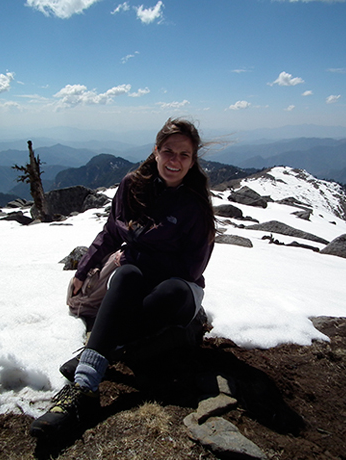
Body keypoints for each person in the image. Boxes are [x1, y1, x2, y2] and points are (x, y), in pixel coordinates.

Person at [30, 117, 216, 437]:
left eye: (184, 155)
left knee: (166, 290)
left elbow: (191, 269)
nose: (175, 161)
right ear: (156, 151)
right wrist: (84, 268)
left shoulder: (195, 205)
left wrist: (139, 254)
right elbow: (111, 233)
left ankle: (99, 351)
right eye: (169, 151)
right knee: (126, 274)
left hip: (180, 290)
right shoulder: (132, 185)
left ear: (192, 160)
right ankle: (84, 390)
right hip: (138, 277)